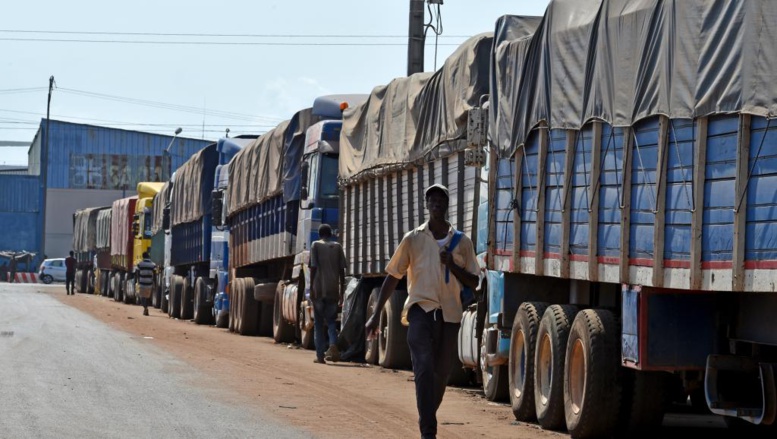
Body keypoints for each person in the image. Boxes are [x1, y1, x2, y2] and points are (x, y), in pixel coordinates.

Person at [365, 184, 479, 439]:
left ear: (447, 205)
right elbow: (393, 276)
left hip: (450, 315)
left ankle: (426, 413)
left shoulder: (462, 242)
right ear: (426, 205)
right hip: (420, 311)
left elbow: (474, 281)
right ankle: (428, 431)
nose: (437, 204)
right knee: (424, 367)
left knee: (440, 375)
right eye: (432, 200)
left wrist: (452, 265)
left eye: (441, 200)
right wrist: (375, 315)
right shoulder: (413, 239)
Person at [309, 223, 347, 364]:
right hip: (333, 290)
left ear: (319, 234)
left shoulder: (315, 245)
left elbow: (313, 267)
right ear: (330, 234)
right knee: (331, 321)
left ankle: (320, 356)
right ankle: (332, 344)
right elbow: (342, 271)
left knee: (318, 323)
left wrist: (311, 286)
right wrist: (341, 291)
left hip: (319, 289)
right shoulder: (337, 247)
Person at [136, 252, 156, 316]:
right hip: (149, 284)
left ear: (143, 257)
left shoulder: (140, 264)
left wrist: (138, 280)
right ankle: (146, 308)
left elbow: (137, 273)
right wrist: (154, 282)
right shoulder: (153, 265)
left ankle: (145, 308)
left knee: (142, 297)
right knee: (147, 297)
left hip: (142, 283)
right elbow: (155, 275)